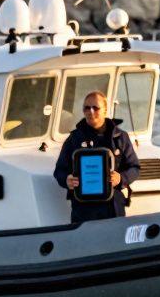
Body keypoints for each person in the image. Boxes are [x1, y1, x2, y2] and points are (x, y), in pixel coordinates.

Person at [54, 90, 141, 223]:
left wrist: (121, 178)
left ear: (105, 110)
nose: (91, 111)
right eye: (87, 108)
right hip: (83, 210)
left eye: (96, 107)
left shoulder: (120, 137)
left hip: (113, 208)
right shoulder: (74, 139)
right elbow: (59, 171)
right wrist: (67, 180)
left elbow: (134, 168)